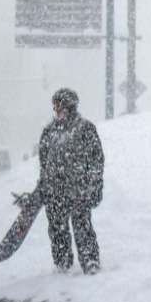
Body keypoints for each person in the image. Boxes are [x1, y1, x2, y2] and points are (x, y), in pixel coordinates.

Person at [22, 88, 105, 274]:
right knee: (58, 230)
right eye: (56, 106)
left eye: (62, 106)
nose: (58, 110)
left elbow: (96, 160)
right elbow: (44, 163)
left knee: (83, 228)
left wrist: (95, 186)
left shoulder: (85, 129)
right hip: (55, 192)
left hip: (79, 191)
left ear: (72, 107)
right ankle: (62, 264)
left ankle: (90, 261)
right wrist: (43, 186)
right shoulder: (49, 132)